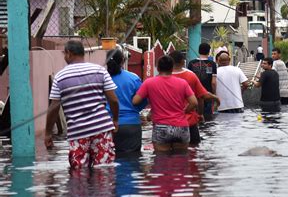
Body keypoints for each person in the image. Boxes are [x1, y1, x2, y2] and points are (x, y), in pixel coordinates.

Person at [44, 40, 119, 169]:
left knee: (79, 175)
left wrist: (48, 133)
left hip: (78, 133)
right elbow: (113, 100)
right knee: (104, 172)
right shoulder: (99, 70)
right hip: (101, 129)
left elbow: (54, 108)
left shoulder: (60, 77)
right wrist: (115, 120)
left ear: (69, 53)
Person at [133, 55, 198, 152]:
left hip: (161, 126)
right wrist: (184, 111)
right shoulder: (182, 83)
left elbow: (135, 101)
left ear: (158, 68)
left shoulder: (149, 83)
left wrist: (151, 100)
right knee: (181, 160)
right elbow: (194, 102)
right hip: (181, 126)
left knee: (161, 161)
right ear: (172, 68)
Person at [170, 50, 220, 145]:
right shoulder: (190, 76)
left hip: (164, 124)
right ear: (183, 62)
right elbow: (201, 96)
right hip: (188, 122)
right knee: (192, 151)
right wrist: (215, 98)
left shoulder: (159, 78)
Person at [106, 49, 147, 154]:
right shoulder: (133, 78)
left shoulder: (101, 79)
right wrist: (134, 110)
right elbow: (143, 100)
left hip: (107, 125)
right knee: (132, 160)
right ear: (123, 61)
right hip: (131, 125)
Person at [187, 43, 217, 116]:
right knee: (208, 119)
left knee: (195, 116)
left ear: (198, 51)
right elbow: (213, 82)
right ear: (209, 51)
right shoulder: (212, 64)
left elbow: (188, 81)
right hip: (207, 93)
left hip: (194, 95)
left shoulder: (191, 63)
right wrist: (213, 94)